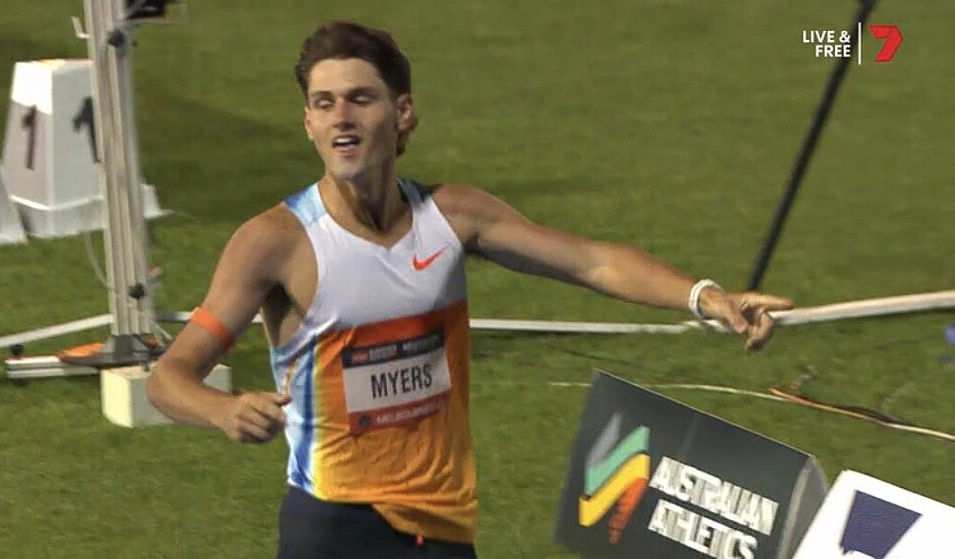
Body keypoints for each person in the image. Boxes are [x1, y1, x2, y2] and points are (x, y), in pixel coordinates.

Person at [146, 20, 793, 559]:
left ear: (403, 113)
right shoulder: (275, 241)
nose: (340, 118)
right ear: (308, 124)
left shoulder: (454, 216)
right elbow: (168, 377)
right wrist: (223, 410)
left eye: (360, 99)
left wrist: (707, 296)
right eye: (323, 103)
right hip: (335, 526)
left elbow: (591, 262)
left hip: (446, 526)